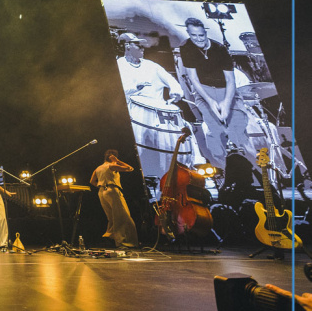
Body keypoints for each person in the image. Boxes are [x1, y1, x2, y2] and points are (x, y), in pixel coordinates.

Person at [117, 32, 206, 178]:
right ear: (127, 46)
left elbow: (172, 82)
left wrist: (176, 92)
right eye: (137, 45)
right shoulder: (119, 65)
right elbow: (119, 92)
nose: (142, 48)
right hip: (134, 110)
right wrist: (136, 87)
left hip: (160, 111)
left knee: (186, 127)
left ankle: (195, 163)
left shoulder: (152, 66)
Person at [179, 17, 249, 169]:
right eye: (194, 36)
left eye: (201, 35)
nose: (198, 39)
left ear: (205, 32)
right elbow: (193, 79)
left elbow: (231, 80)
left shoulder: (219, 49)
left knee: (237, 129)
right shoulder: (186, 48)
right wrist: (210, 101)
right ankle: (227, 172)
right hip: (204, 90)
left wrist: (225, 103)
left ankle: (250, 169)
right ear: (189, 34)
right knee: (215, 133)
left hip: (226, 90)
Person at [89, 149, 139, 248]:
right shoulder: (111, 166)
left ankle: (110, 236)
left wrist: (102, 187)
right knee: (123, 217)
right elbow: (130, 168)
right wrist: (118, 161)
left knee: (112, 217)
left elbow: (92, 181)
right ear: (113, 157)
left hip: (102, 192)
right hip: (112, 191)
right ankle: (124, 242)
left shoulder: (98, 168)